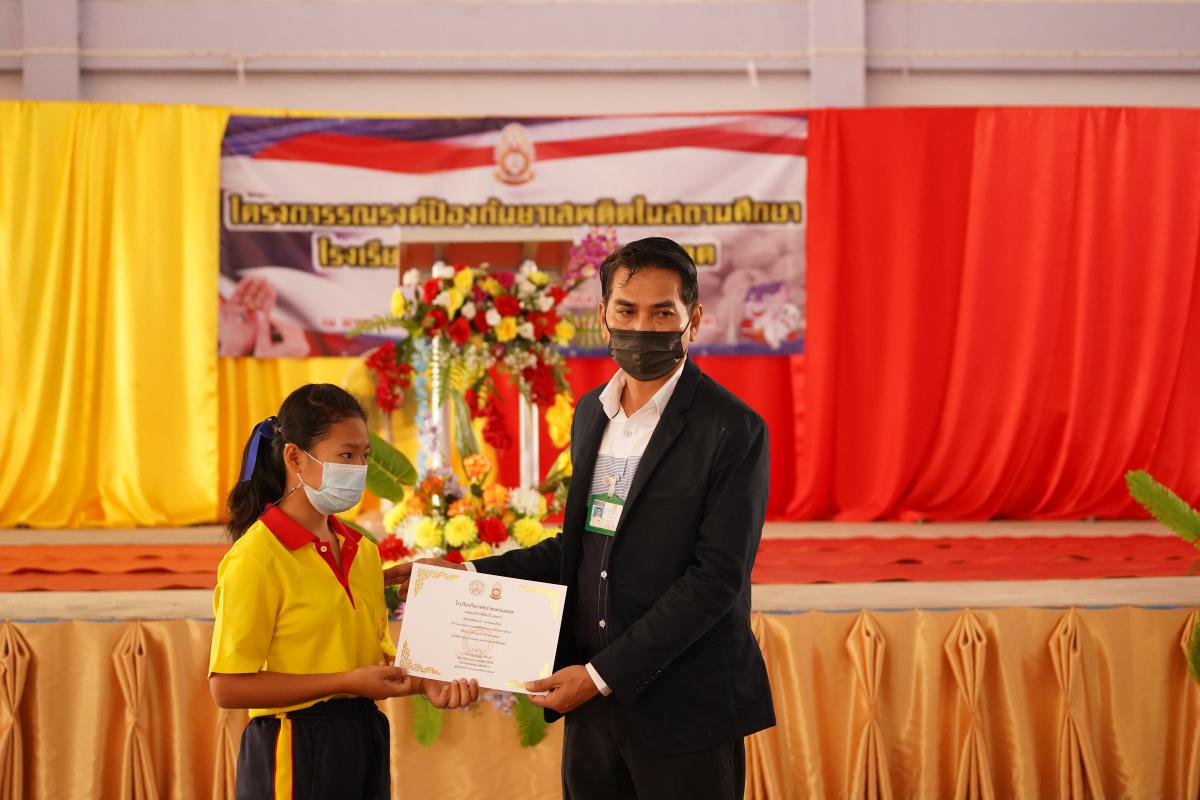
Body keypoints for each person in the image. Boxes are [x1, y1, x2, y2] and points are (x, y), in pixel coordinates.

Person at [388, 238, 774, 799]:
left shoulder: (733, 428)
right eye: (627, 310)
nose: (642, 327)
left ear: (693, 320)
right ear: (603, 315)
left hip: (685, 709)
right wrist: (465, 575)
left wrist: (599, 677)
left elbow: (716, 580)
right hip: (592, 709)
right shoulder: (592, 413)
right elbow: (580, 548)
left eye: (662, 313)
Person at [209, 383, 478, 799]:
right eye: (346, 455)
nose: (358, 468)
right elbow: (227, 687)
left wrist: (427, 683)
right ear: (295, 457)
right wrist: (346, 681)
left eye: (364, 456)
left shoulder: (362, 551)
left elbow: (373, 665)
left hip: (364, 735)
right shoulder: (257, 556)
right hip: (294, 742)